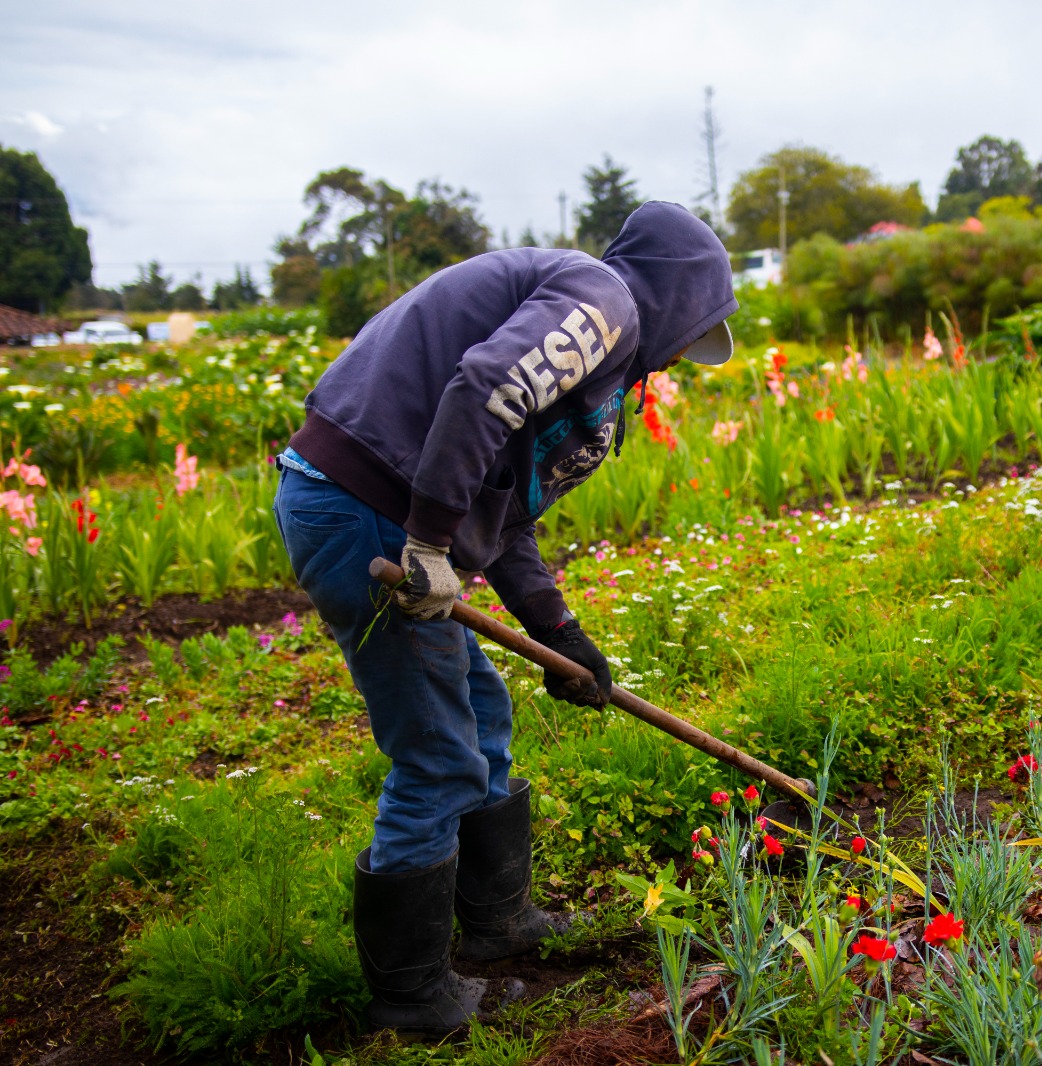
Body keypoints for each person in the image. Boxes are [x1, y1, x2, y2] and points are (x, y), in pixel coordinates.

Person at [273, 202, 737, 1032]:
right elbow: (483, 386)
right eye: (692, 331)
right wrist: (425, 541)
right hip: (369, 510)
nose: (675, 360)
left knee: (480, 714)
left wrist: (560, 633)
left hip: (371, 506)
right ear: (676, 297)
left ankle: (495, 923)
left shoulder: (595, 337)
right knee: (439, 755)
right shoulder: (605, 303)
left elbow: (504, 514)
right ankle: (411, 999)